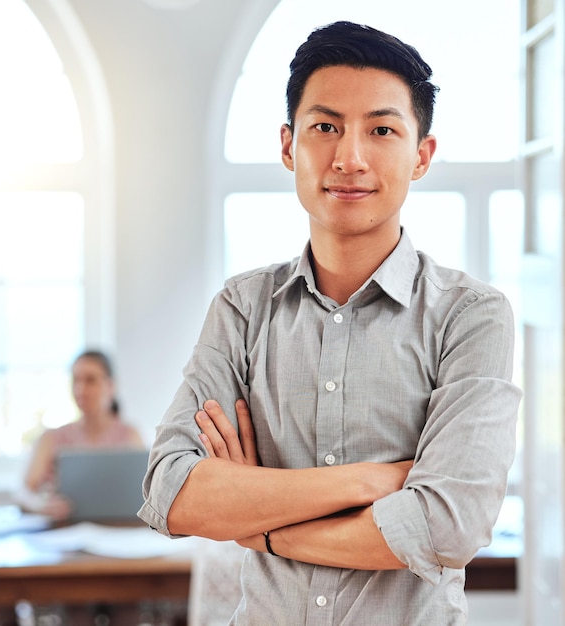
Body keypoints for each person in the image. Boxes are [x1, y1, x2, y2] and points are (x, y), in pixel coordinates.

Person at [138, 21, 522, 625]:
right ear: (290, 146)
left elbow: (448, 525)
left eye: (381, 130)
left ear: (421, 155)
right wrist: (372, 481)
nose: (349, 157)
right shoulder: (242, 309)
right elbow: (173, 493)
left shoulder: (471, 316)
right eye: (326, 127)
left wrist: (260, 524)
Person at [22, 349, 144, 519]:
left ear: (110, 386)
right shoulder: (51, 438)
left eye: (90, 380)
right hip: (63, 530)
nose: (80, 389)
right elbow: (23, 492)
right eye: (76, 381)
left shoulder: (130, 435)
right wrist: (40, 505)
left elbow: (143, 494)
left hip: (118, 531)